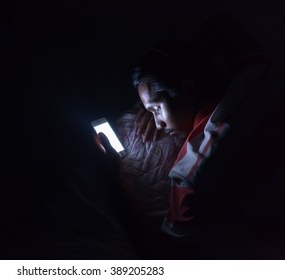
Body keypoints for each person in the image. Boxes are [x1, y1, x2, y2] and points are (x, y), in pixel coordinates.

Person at [108, 13, 285, 259]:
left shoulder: (191, 175)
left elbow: (163, 255)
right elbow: (221, 24)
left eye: (156, 109)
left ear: (189, 89)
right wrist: (161, 79)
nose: (157, 124)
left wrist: (113, 177)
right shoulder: (260, 77)